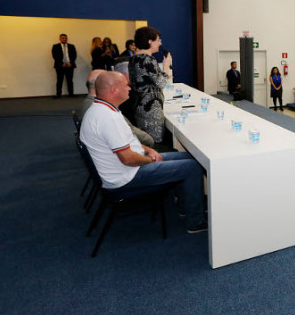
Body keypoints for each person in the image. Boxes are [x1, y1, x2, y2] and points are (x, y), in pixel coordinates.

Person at [79, 71, 207, 234]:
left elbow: (127, 141)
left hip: (127, 166)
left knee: (190, 158)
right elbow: (127, 159)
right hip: (126, 175)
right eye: (126, 85)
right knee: (191, 167)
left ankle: (186, 207)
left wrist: (148, 150)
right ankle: (195, 221)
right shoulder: (107, 118)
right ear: (113, 90)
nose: (129, 89)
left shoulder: (103, 109)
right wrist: (152, 160)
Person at [80, 69, 153, 147]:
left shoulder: (90, 104)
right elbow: (140, 138)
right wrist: (150, 140)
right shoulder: (105, 111)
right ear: (101, 85)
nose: (129, 88)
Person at [129, 26, 171, 145]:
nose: (159, 43)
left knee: (145, 140)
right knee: (154, 142)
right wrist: (166, 66)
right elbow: (161, 83)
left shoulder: (134, 58)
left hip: (140, 105)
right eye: (158, 40)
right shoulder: (148, 60)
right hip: (150, 108)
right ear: (149, 41)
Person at [51, 33, 77, 97]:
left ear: (67, 39)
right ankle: (58, 94)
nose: (64, 39)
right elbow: (55, 56)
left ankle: (71, 94)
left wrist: (70, 62)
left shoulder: (71, 46)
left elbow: (74, 55)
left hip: (69, 65)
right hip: (60, 66)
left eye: (65, 38)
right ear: (60, 39)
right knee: (59, 80)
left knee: (70, 80)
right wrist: (62, 63)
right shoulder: (55, 46)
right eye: (62, 38)